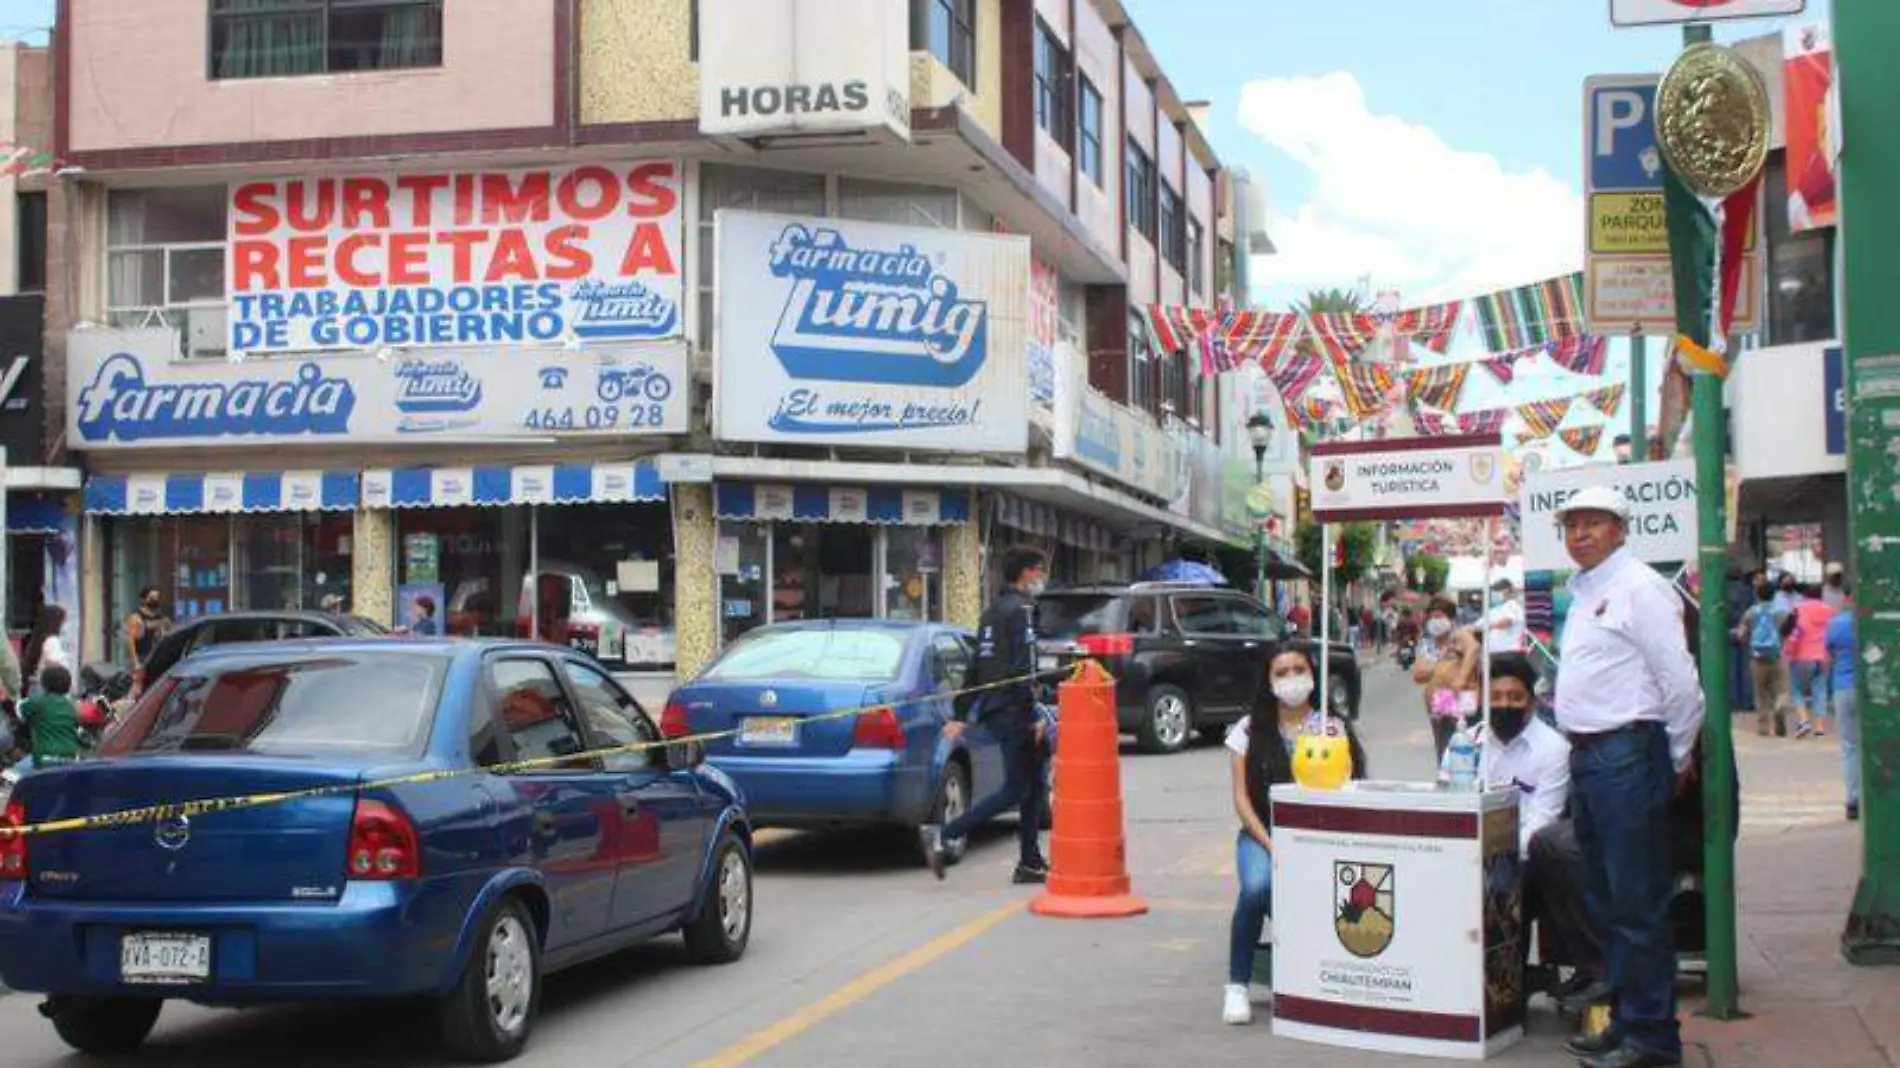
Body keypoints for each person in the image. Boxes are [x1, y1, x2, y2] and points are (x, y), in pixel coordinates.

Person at [1553, 486, 1704, 1068]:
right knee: (1607, 900)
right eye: (1572, 525)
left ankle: (1653, 1040)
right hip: (1589, 758)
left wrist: (1675, 754)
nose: (1581, 534)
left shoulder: (1639, 587)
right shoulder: (1586, 590)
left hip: (1627, 756)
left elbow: (1681, 683)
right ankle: (1626, 1020)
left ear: (1620, 529)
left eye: (1594, 523)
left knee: (1637, 903)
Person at [1223, 642, 1367, 1025]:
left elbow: (1352, 787)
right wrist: (1272, 845)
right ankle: (1236, 985)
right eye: (1281, 673)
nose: (1292, 680)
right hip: (1261, 834)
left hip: (1321, 839)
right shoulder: (1248, 730)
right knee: (1257, 888)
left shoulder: (1331, 728)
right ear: (1268, 681)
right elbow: (1241, 798)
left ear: (1312, 675)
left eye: (1298, 670)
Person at [1470, 653, 1604, 1008]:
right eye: (1496, 698)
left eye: (1514, 698)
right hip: (1469, 853)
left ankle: (1509, 980)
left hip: (1523, 858)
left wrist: (1494, 853)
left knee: (1508, 878)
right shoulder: (1468, 743)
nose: (1504, 705)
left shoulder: (1553, 749)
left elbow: (1542, 820)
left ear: (1530, 702)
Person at [925, 546, 1050, 885]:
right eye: (1039, 570)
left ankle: (1030, 861)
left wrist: (960, 713)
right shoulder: (1022, 610)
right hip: (1014, 711)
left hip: (998, 709)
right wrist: (1034, 714)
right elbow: (1021, 669)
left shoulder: (992, 612)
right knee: (1015, 789)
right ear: (1025, 572)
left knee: (1035, 785)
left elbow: (977, 667)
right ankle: (945, 834)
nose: (1042, 577)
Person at [1411, 596, 1480, 762]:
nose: (1435, 621)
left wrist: (1461, 679)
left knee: (1466, 744)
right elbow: (1418, 674)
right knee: (1444, 746)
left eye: (1439, 616)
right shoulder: (1427, 644)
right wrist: (1444, 665)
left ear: (1450, 618)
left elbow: (1473, 649)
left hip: (1462, 697)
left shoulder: (1459, 636)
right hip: (1439, 701)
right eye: (1432, 617)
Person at [1735, 583, 1791, 738]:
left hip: (1757, 658)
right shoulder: (1781, 613)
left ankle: (1763, 728)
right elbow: (1787, 632)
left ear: (1757, 595)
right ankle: (1779, 708)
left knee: (1760, 694)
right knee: (1783, 690)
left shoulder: (1751, 613)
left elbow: (1742, 635)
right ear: (1774, 595)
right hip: (1777, 656)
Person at [1826, 593, 1860, 820]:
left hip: (1843, 686)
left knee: (1849, 747)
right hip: (1872, 689)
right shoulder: (1871, 620)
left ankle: (1853, 798)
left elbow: (1829, 652)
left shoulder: (1836, 623)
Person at [1787, 584, 1836, 739]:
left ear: (1805, 595)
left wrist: (1788, 651)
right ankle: (1820, 728)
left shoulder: (1798, 608)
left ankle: (1804, 720)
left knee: (1796, 690)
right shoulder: (1829, 610)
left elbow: (1795, 632)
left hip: (1800, 655)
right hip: (1822, 655)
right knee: (1820, 691)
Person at [18, 664, 82, 768]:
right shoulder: (71, 706)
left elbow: (19, 710)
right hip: (71, 759)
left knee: (13, 773)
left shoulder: (39, 703)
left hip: (45, 758)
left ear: (44, 685)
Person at [124, 586, 171, 690]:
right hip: (143, 657)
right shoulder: (136, 617)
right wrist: (135, 662)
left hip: (158, 657)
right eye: (152, 597)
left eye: (157, 597)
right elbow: (130, 640)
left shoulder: (162, 618)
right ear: (144, 599)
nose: (155, 600)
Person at [20, 604, 70, 695]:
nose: (65, 625)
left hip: (36, 687)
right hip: (49, 692)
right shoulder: (52, 641)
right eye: (64, 622)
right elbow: (53, 664)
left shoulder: (38, 640)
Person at [1482, 578, 1526, 654]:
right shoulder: (1502, 607)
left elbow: (1506, 622)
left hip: (1508, 652)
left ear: (1507, 590)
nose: (1494, 593)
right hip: (1500, 652)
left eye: (1498, 590)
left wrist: (1487, 626)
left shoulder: (1512, 604)